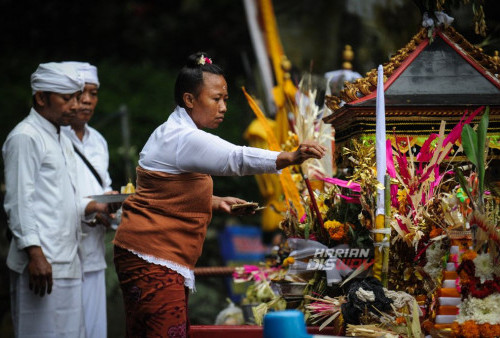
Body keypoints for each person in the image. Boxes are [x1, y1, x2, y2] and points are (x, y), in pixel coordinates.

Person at [113, 52, 327, 337]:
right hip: (151, 254)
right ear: (189, 100)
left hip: (144, 252)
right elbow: (235, 158)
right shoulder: (182, 137)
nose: (223, 107)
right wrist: (288, 157)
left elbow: (161, 193)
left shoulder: (172, 131)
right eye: (216, 99)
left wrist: (214, 201)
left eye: (225, 99)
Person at [2, 62, 113, 337]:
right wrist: (34, 253)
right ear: (41, 98)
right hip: (42, 262)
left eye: (78, 97)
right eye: (67, 98)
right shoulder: (25, 137)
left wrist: (97, 206)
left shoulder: (59, 136)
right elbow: (18, 202)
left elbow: (62, 199)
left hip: (68, 259)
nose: (76, 105)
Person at [61, 62, 112, 338]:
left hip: (92, 251)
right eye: (81, 93)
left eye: (93, 93)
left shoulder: (99, 141)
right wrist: (94, 206)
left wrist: (112, 207)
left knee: (94, 330)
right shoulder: (53, 138)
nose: (88, 100)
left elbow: (104, 186)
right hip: (60, 252)